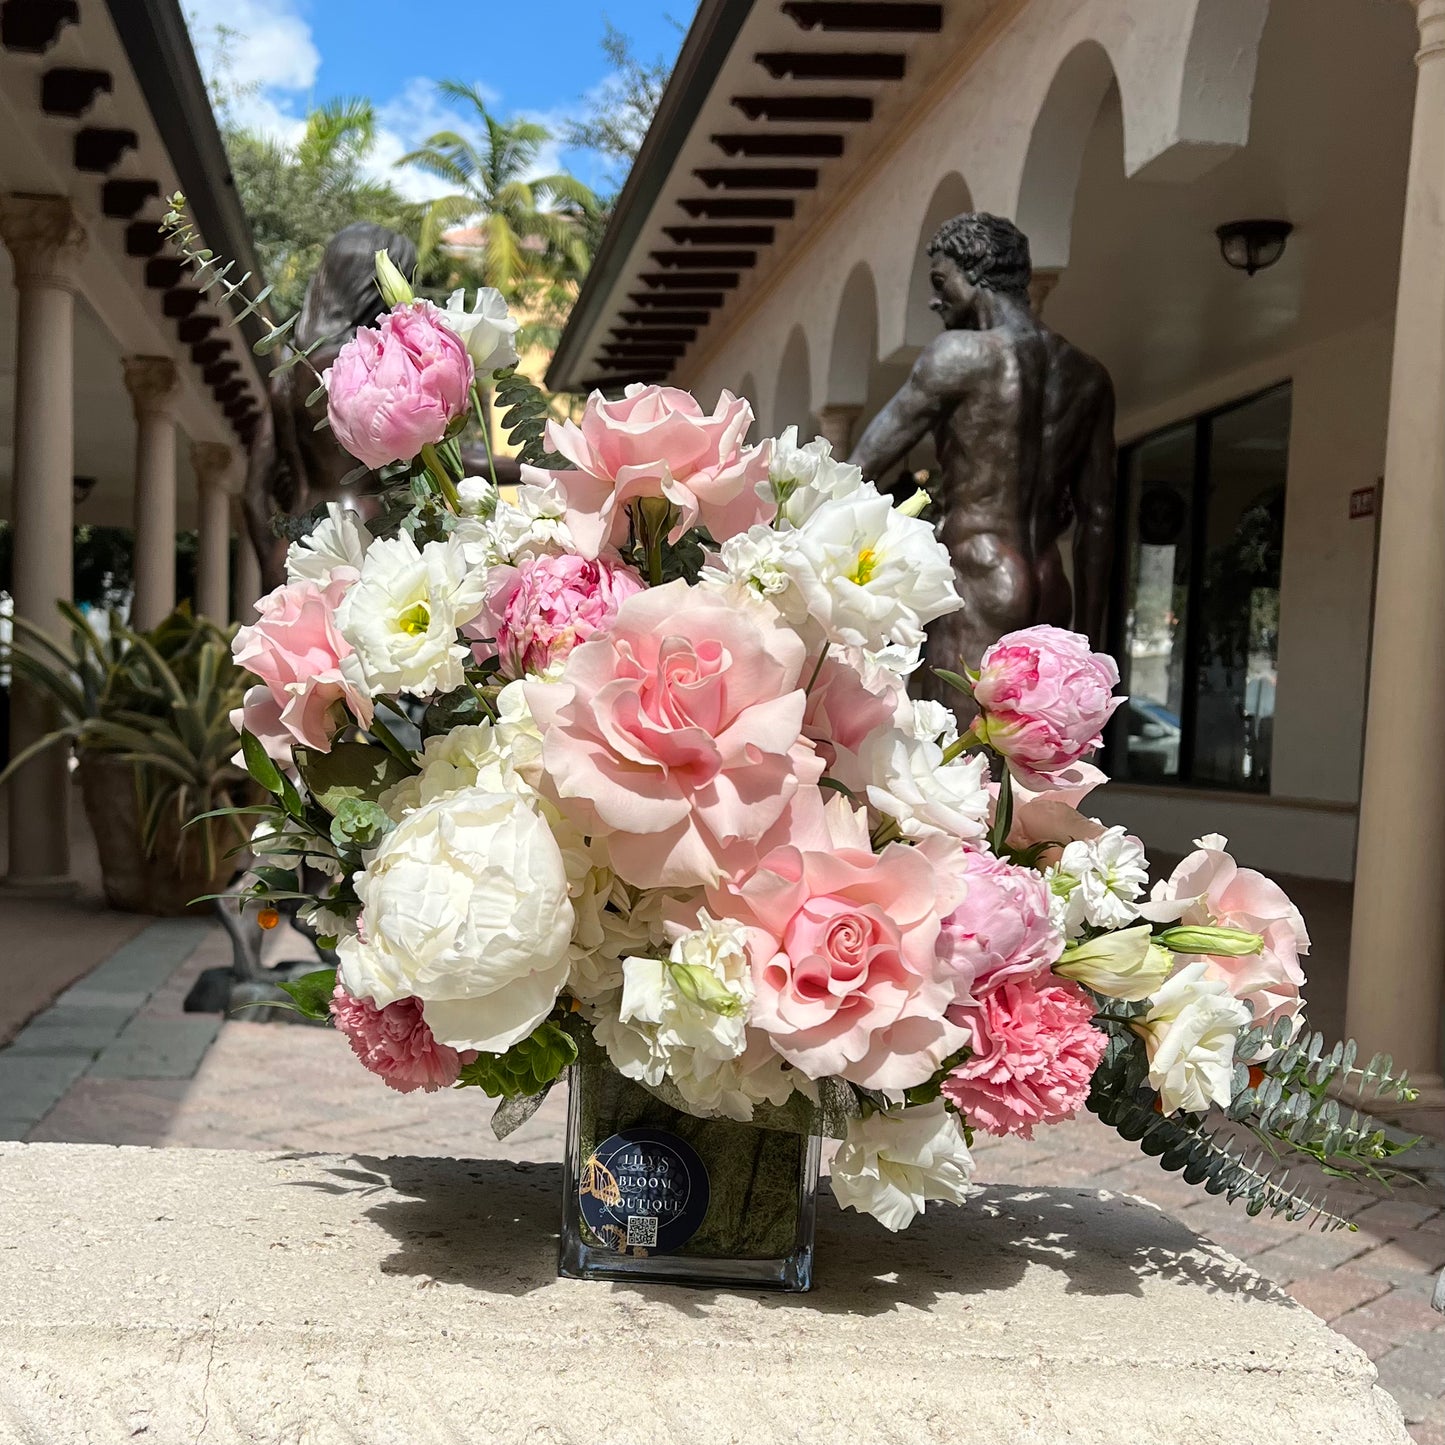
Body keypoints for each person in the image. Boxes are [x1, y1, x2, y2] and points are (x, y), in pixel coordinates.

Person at [849, 213, 1115, 703]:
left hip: (977, 572)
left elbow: (858, 469)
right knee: (1030, 762)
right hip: (1049, 581)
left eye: (940, 281)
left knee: (953, 758)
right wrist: (1092, 650)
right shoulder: (1088, 375)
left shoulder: (959, 355)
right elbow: (1098, 520)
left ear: (975, 273)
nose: (935, 299)